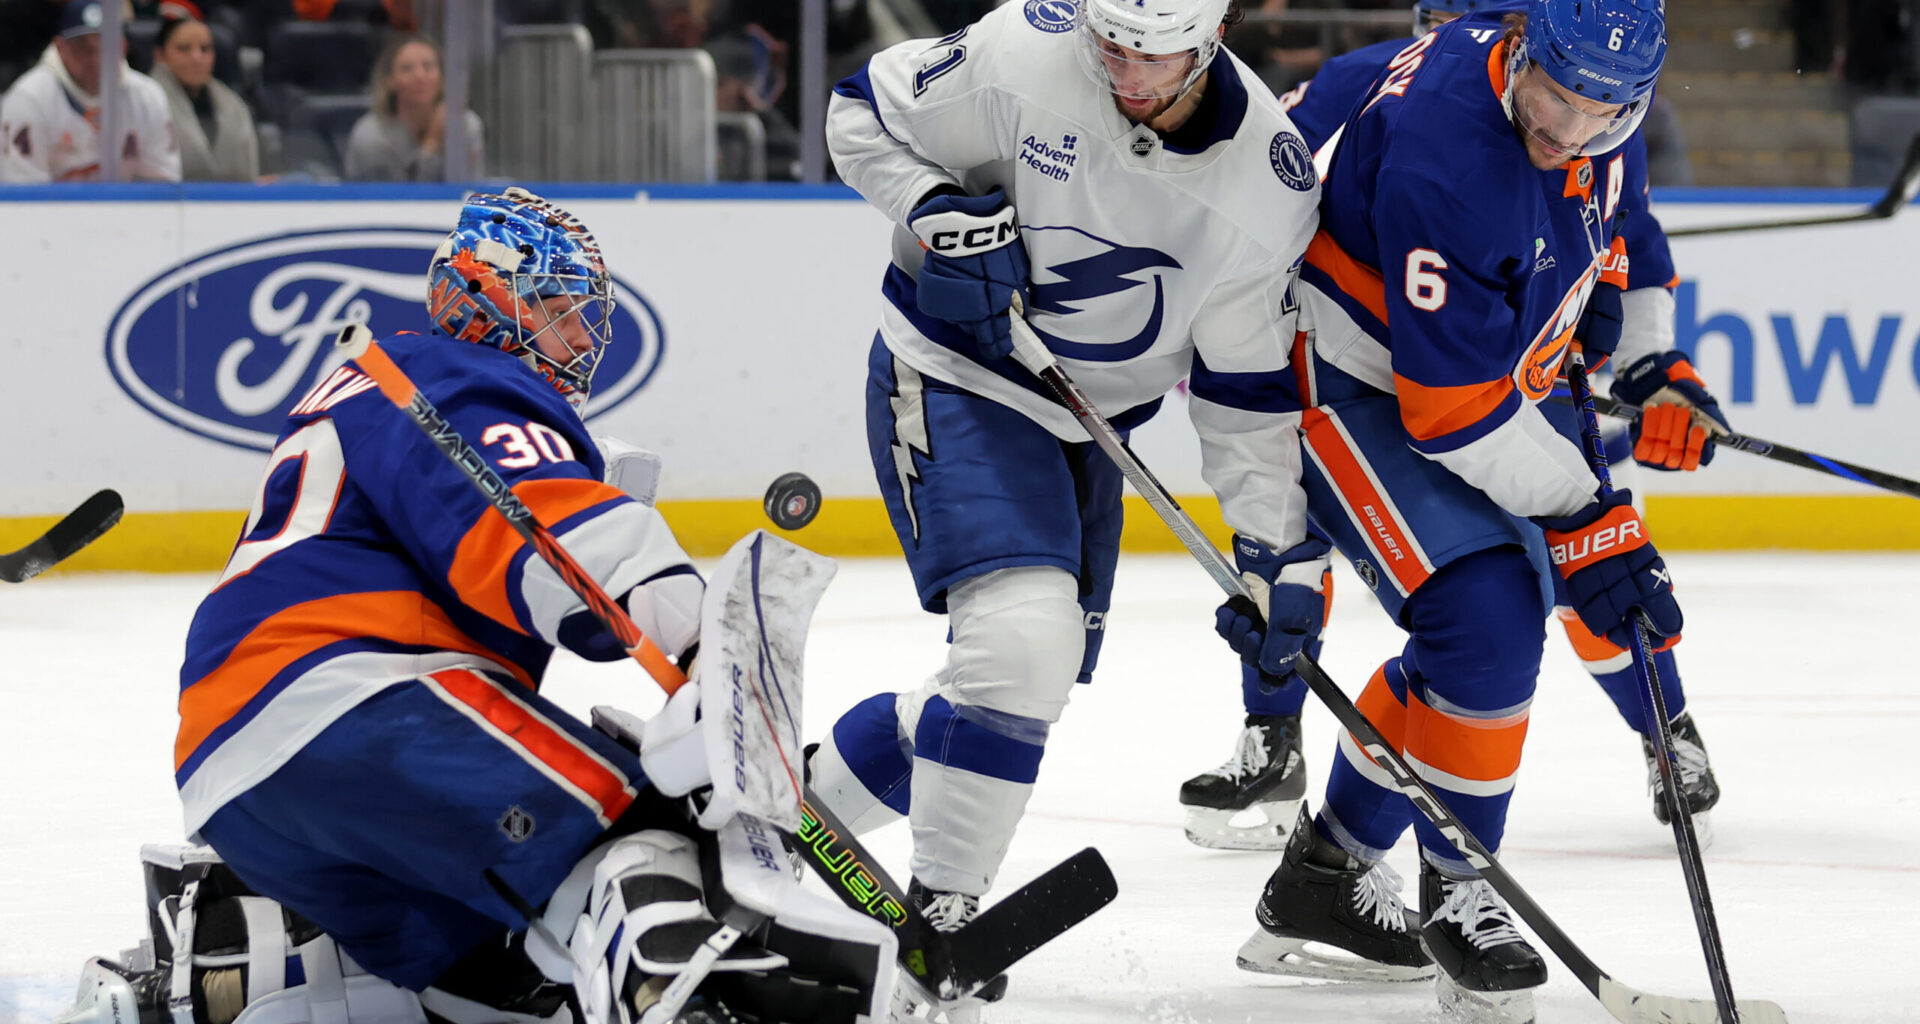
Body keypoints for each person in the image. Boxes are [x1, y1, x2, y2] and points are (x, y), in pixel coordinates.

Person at [52, 188, 892, 1024]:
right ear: (490, 295)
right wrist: (701, 639)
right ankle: (692, 1004)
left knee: (499, 974)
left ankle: (224, 970)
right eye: (560, 311)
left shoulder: (369, 391)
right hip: (359, 702)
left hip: (233, 768)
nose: (580, 341)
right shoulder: (452, 374)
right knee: (638, 840)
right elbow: (548, 529)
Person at [806, 0, 1320, 1014]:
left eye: (1155, 52)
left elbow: (1244, 394)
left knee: (1009, 680)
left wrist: (1276, 549)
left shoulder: (1266, 183)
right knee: (1019, 645)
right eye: (1113, 43)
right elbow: (858, 111)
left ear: (1209, 40)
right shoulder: (1026, 50)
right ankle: (942, 910)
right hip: (957, 370)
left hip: (1094, 429)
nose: (1127, 71)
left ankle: (799, 808)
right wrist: (928, 207)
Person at [1180, 0, 1728, 852]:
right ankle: (1275, 731)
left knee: (1558, 578)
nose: (1570, 126)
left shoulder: (1604, 102)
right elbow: (1274, 204)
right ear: (1513, 42)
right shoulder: (1420, 119)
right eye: (1554, 95)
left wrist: (1629, 330)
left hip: (1488, 359)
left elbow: (1622, 224)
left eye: (1601, 110)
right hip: (1391, 370)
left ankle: (1667, 727)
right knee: (1326, 561)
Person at [0, 0, 179, 182]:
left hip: (127, 209)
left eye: (104, 46)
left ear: (123, 47)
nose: (95, 58)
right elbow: (24, 196)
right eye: (82, 48)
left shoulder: (147, 96)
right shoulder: (28, 100)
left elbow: (162, 186)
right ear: (60, 48)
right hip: (54, 209)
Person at [343, 33, 483, 181]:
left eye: (428, 67)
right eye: (407, 69)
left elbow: (470, 188)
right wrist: (431, 147)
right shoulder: (371, 136)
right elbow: (398, 199)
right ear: (389, 81)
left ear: (441, 77)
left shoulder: (464, 125)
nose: (420, 76)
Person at [149, 10, 258, 181]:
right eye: (184, 48)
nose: (196, 57)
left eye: (205, 49)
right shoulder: (146, 100)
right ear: (160, 55)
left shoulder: (234, 105)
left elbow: (248, 176)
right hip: (162, 203)